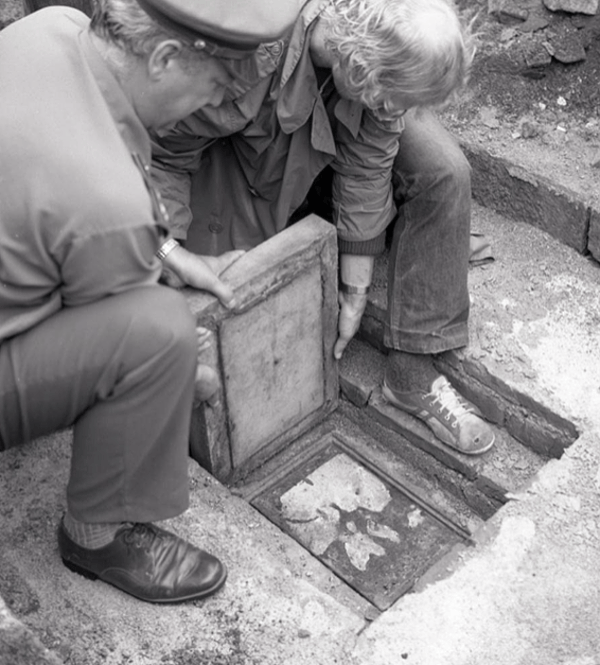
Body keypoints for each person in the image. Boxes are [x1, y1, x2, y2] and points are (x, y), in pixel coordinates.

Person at [0, 0, 299, 603]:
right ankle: (95, 535)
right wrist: (187, 374)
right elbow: (120, 312)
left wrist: (159, 247)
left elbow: (80, 187)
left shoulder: (51, 27)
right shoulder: (105, 205)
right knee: (159, 335)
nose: (210, 108)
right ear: (164, 57)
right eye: (212, 87)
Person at [151, 0, 496, 457]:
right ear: (358, 62)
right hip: (230, 148)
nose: (397, 111)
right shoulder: (243, 51)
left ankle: (411, 374)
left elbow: (370, 157)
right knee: (215, 295)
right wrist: (165, 248)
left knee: (444, 173)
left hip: (325, 98)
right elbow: (163, 155)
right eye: (394, 97)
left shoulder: (375, 63)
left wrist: (355, 289)